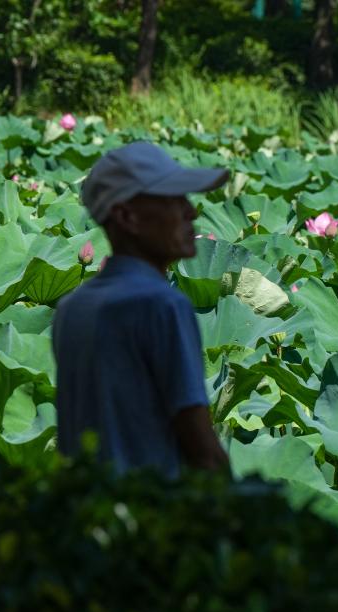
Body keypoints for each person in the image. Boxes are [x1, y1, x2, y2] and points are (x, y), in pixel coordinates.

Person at [52, 142, 230, 478]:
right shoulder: (162, 304)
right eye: (173, 200)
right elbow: (202, 451)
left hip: (82, 511)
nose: (190, 212)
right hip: (151, 514)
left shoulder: (71, 308)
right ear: (126, 217)